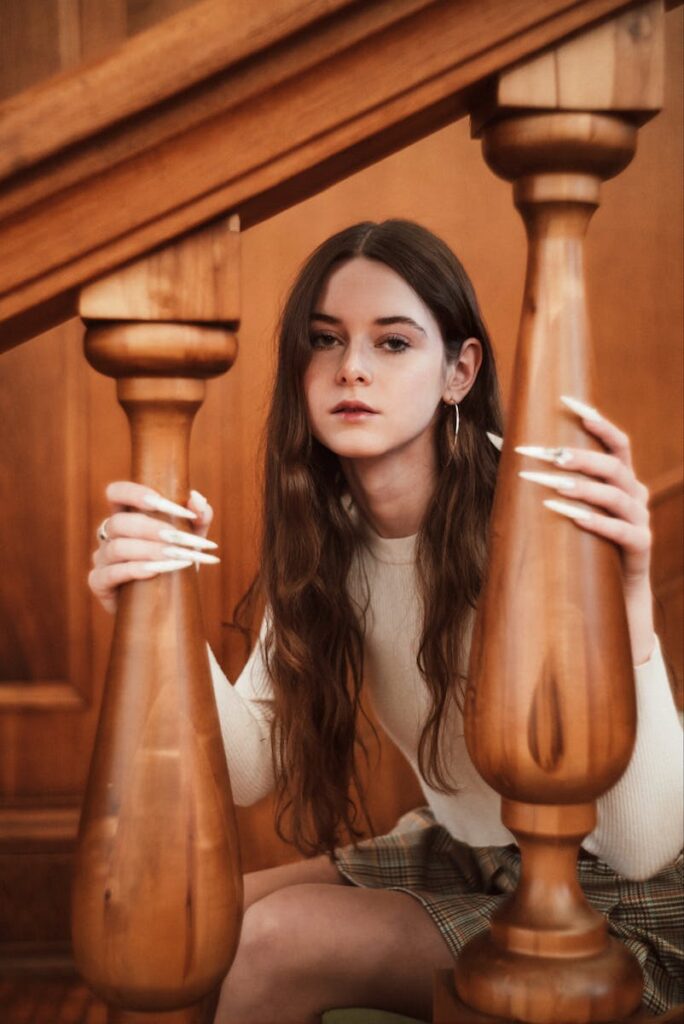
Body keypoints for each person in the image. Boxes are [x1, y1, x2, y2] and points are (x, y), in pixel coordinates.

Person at [89, 220, 683, 1024]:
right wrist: (156, 610)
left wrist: (633, 594)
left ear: (459, 371)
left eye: (393, 342)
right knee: (190, 917)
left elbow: (646, 848)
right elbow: (250, 767)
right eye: (325, 340)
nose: (352, 368)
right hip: (470, 849)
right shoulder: (330, 532)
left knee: (271, 944)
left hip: (627, 901)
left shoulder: (539, 514)